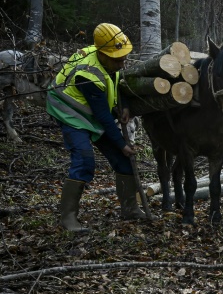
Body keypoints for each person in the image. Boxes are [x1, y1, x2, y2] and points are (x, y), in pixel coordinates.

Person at [46, 22, 152, 232]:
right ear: (103, 54)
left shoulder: (108, 57)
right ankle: (68, 219)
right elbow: (103, 116)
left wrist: (125, 106)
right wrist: (122, 143)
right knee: (84, 160)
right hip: (70, 112)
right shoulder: (88, 74)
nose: (123, 64)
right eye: (118, 60)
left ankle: (130, 209)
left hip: (90, 111)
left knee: (123, 161)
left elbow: (117, 81)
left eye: (124, 58)